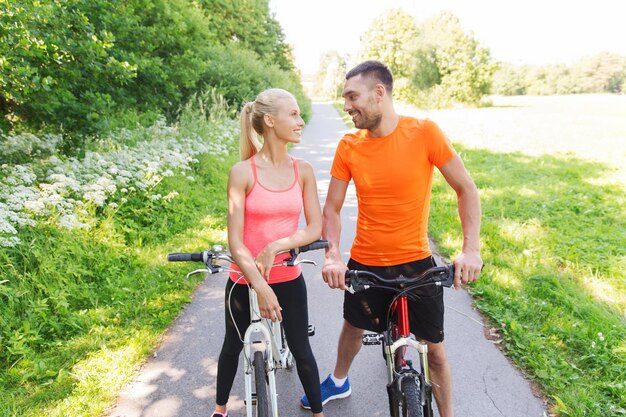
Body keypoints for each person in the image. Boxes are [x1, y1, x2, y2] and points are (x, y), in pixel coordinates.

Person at [300, 61, 483, 417]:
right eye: (344, 99)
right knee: (353, 327)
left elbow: (466, 188)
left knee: (436, 351)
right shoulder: (350, 145)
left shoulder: (424, 132)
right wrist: (333, 256)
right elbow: (332, 209)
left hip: (416, 263)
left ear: (379, 93)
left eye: (353, 96)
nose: (347, 105)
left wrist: (470, 250)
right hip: (366, 262)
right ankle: (339, 380)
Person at [212, 88, 324, 417]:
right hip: (244, 280)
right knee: (232, 346)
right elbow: (236, 242)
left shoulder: (302, 170)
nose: (301, 121)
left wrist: (277, 245)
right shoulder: (242, 172)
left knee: (302, 351)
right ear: (271, 121)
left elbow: (314, 228)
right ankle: (219, 409)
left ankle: (319, 413)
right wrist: (259, 285)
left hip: (288, 276)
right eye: (294, 114)